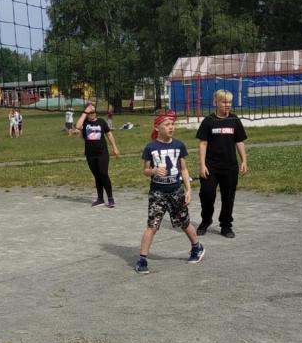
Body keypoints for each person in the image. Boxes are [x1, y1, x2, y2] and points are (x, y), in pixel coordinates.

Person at [135, 110, 205, 274]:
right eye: (167, 124)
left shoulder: (179, 145)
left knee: (184, 222)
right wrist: (153, 171)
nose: (171, 127)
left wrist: (188, 190)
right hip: (157, 193)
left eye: (172, 124)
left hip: (176, 191)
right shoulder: (150, 147)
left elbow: (184, 170)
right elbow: (145, 171)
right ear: (157, 127)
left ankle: (197, 247)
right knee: (152, 226)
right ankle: (142, 259)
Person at [196, 89, 247, 238]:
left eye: (229, 102)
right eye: (224, 102)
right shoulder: (208, 121)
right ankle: (206, 220)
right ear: (216, 103)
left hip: (230, 167)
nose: (227, 105)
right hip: (210, 166)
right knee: (207, 194)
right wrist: (202, 165)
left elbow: (239, 142)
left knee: (228, 197)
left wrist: (244, 160)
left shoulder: (234, 120)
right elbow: (203, 144)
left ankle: (226, 225)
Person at [72, 101, 120, 207]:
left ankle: (110, 198)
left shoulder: (101, 122)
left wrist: (114, 147)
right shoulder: (85, 123)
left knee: (103, 174)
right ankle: (100, 199)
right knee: (97, 176)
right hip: (90, 154)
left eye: (93, 111)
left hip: (102, 153)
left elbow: (109, 135)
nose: (92, 113)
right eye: (90, 112)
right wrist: (85, 112)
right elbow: (78, 126)